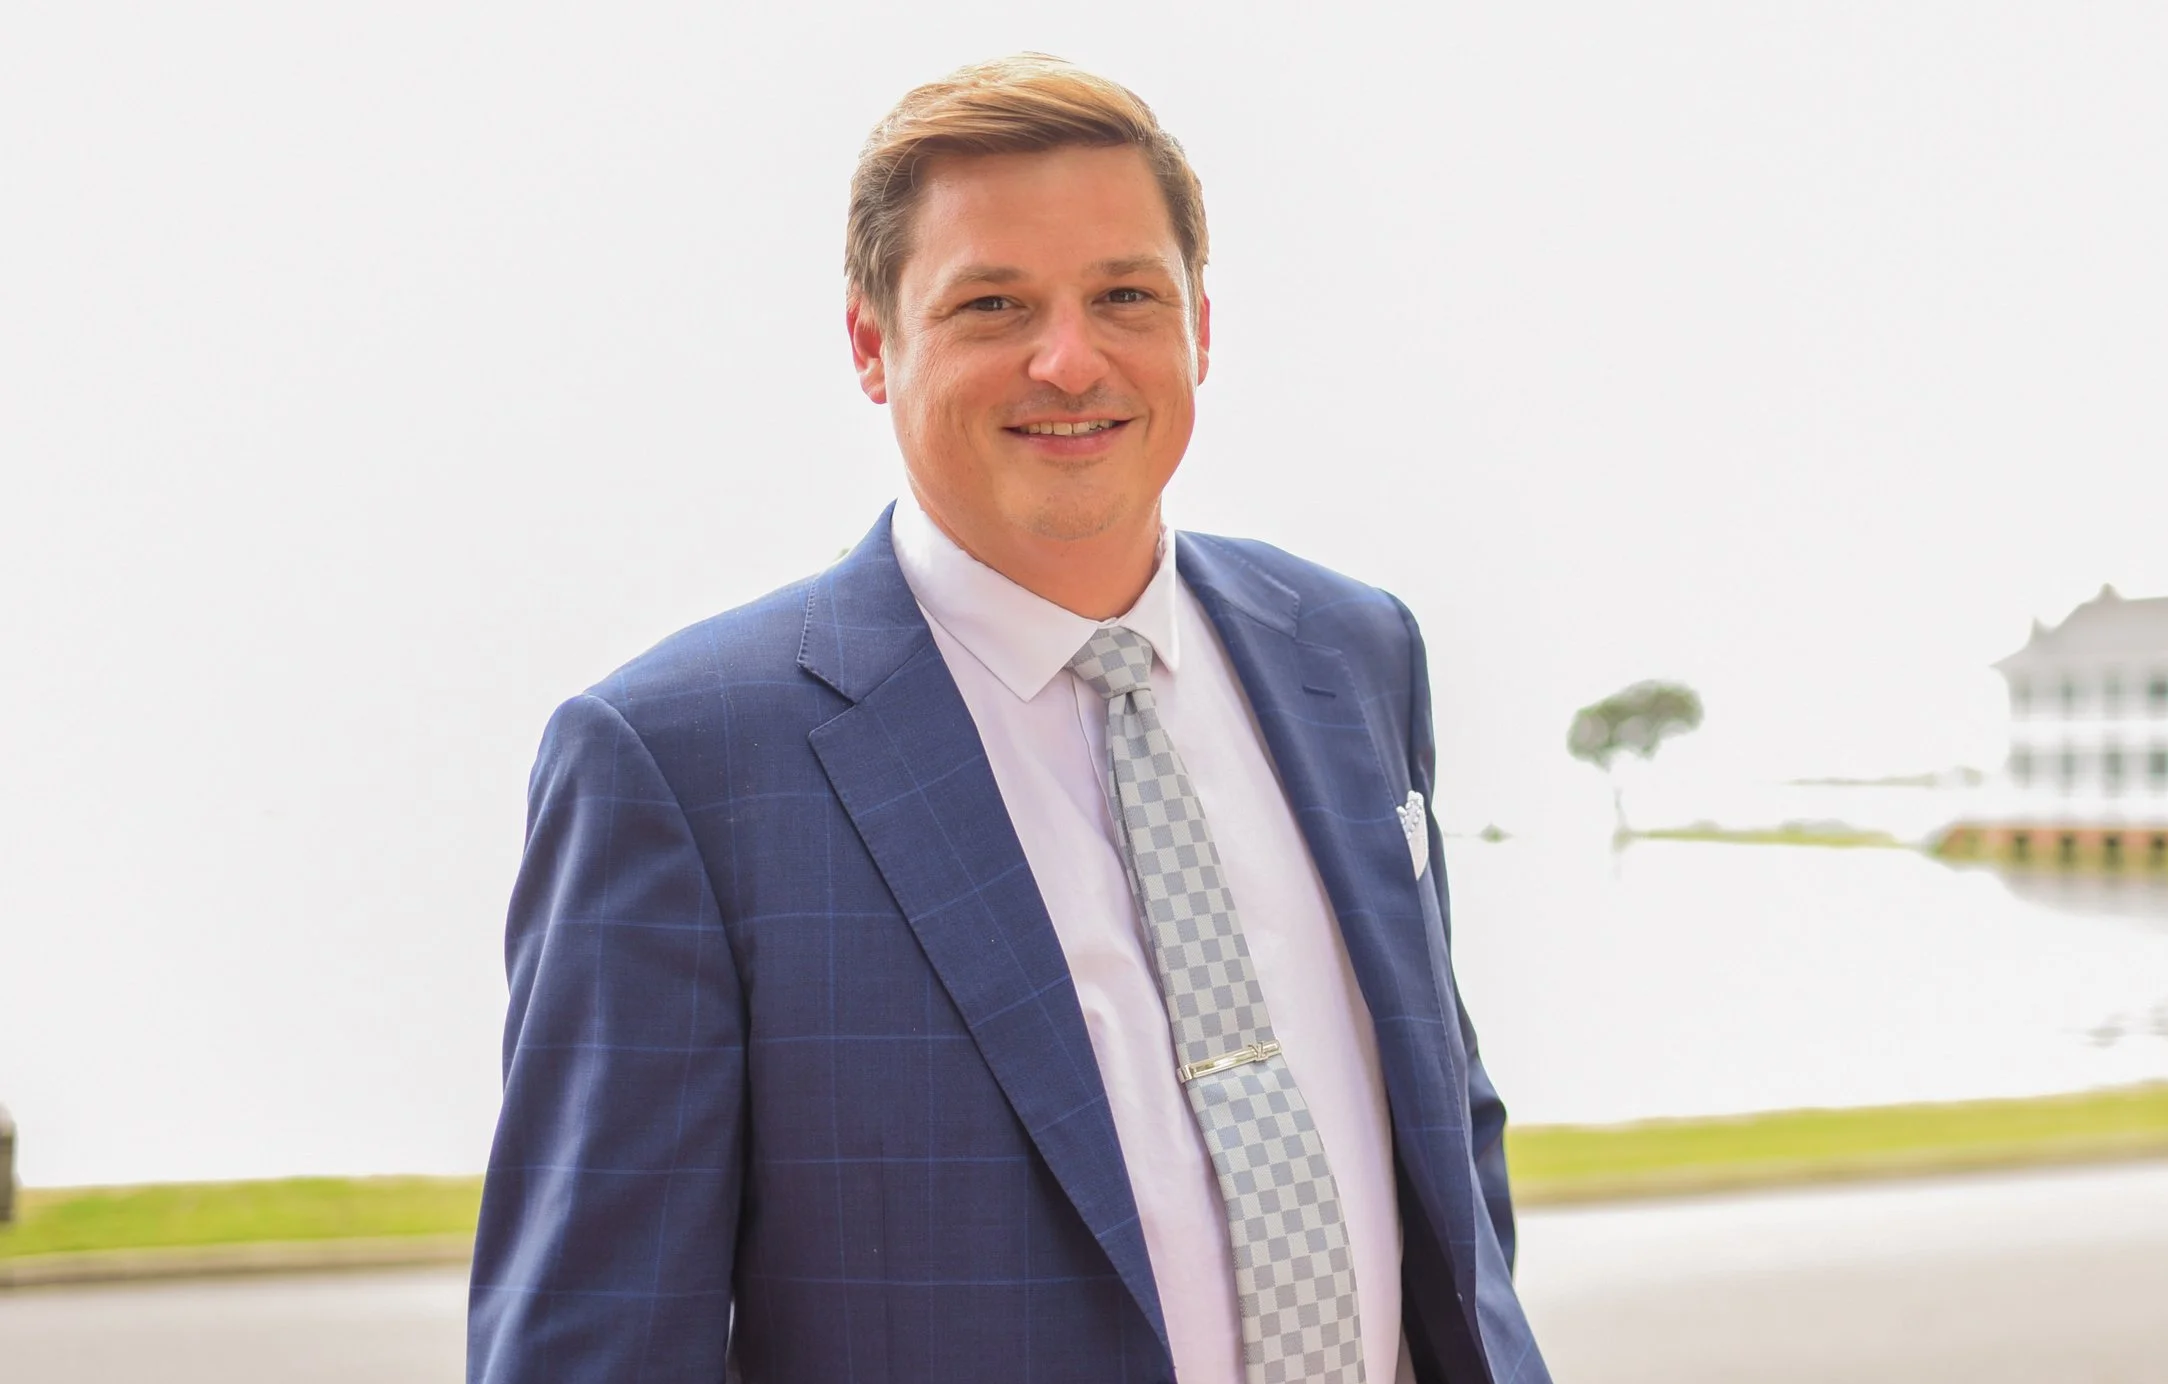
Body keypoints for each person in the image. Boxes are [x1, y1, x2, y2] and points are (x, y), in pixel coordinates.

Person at [469, 54, 1550, 1384]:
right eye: (992, 305)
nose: (1069, 358)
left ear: (1201, 324)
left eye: (1124, 296)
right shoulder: (680, 766)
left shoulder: (1350, 653)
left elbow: (1446, 1148)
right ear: (873, 344)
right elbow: (597, 1343)